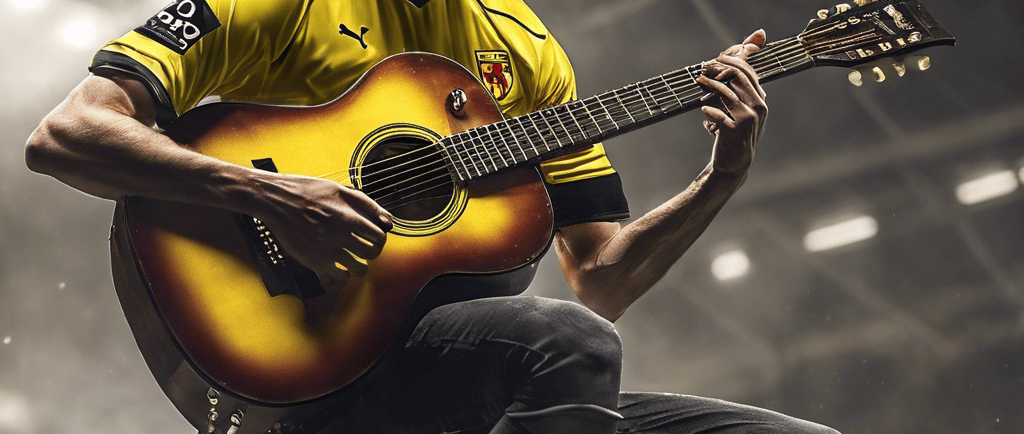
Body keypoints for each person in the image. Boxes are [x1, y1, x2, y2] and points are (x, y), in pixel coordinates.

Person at [25, 0, 840, 433]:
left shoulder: (527, 49)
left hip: (464, 387)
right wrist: (269, 193)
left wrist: (721, 177)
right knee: (570, 342)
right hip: (314, 385)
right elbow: (66, 134)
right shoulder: (281, 1)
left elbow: (599, 278)